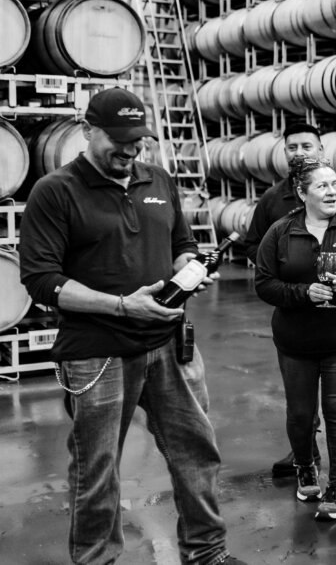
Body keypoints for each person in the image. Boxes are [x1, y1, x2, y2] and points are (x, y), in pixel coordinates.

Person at [18, 88, 245, 564]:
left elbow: (181, 242)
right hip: (96, 353)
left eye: (137, 139)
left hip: (170, 344)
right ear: (88, 130)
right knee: (97, 468)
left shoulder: (158, 179)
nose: (130, 150)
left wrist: (191, 269)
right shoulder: (55, 191)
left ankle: (207, 553)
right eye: (117, 140)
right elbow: (41, 280)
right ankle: (97, 559)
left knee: (197, 453)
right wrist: (123, 306)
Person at [243, 122, 336, 473]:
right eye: (292, 147)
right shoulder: (274, 200)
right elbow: (255, 247)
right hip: (299, 313)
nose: (300, 153)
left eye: (307, 146)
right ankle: (306, 454)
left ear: (321, 149)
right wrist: (284, 271)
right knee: (302, 400)